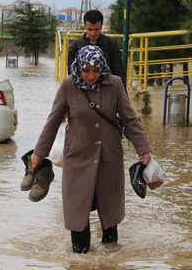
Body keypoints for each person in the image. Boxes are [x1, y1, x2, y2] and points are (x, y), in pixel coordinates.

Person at [31, 45, 151, 254]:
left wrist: (144, 150)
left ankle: (109, 267)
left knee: (109, 212)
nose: (91, 75)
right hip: (77, 158)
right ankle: (79, 265)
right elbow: (53, 121)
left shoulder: (114, 84)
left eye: (96, 70)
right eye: (86, 70)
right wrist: (39, 153)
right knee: (78, 211)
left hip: (109, 157)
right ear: (79, 67)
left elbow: (130, 119)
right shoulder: (68, 85)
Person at [67, 9, 126, 87]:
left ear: (101, 26)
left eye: (96, 29)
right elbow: (72, 77)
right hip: (83, 92)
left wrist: (123, 97)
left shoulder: (111, 44)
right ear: (85, 26)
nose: (93, 33)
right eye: (89, 29)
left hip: (106, 90)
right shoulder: (74, 47)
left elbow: (119, 74)